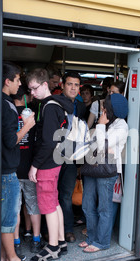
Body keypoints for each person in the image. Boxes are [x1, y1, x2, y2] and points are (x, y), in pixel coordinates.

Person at [27, 68, 74, 261]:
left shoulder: (49, 107)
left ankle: (53, 247)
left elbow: (48, 141)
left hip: (47, 163)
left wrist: (34, 166)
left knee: (47, 206)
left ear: (45, 85)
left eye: (34, 88)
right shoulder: (57, 104)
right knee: (54, 203)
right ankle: (61, 241)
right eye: (30, 89)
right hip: (56, 161)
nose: (32, 93)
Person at [79, 93, 128, 253]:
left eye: (104, 105)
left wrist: (100, 126)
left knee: (104, 208)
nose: (101, 108)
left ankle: (102, 242)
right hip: (92, 167)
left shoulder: (121, 126)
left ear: (110, 108)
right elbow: (95, 145)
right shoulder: (107, 123)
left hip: (107, 170)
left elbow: (101, 145)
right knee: (87, 205)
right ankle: (92, 237)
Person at [1, 62, 37, 261]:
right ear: (8, 81)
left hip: (3, 168)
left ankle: (6, 256)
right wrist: (27, 127)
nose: (20, 84)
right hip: (7, 171)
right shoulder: (7, 106)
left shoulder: (0, 102)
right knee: (8, 218)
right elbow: (9, 141)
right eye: (17, 80)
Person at [12, 83, 43, 254]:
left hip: (12, 169)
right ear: (26, 97)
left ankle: (16, 242)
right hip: (30, 169)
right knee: (34, 206)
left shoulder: (8, 114)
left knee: (15, 208)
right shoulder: (33, 115)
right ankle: (36, 240)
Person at [57, 71, 87, 243]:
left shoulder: (80, 107)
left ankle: (67, 230)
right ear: (63, 85)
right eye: (70, 84)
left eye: (76, 85)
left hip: (71, 159)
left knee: (66, 196)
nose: (73, 88)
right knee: (51, 196)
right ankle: (50, 231)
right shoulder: (54, 103)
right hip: (52, 157)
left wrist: (79, 163)